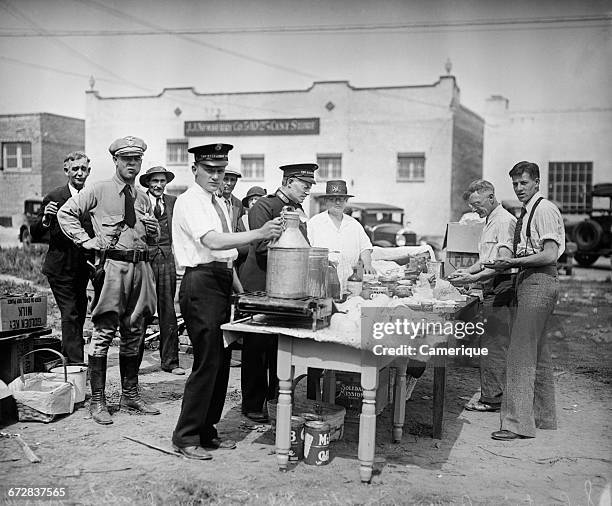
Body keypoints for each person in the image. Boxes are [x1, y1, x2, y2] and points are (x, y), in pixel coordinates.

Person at [171, 143, 282, 460]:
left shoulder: (218, 202)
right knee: (206, 363)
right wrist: (257, 233)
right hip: (200, 283)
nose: (216, 177)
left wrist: (239, 290)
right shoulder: (190, 201)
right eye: (210, 171)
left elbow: (225, 257)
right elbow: (212, 241)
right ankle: (185, 435)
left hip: (221, 281)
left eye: (221, 171)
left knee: (220, 365)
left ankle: (207, 430)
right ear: (195, 170)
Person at [57, 136, 160, 425]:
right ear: (115, 161)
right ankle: (99, 401)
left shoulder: (142, 197)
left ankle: (130, 394)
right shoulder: (99, 190)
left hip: (140, 269)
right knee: (103, 333)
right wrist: (85, 241)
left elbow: (151, 241)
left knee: (134, 331)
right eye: (126, 159)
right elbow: (67, 213)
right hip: (112, 268)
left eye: (136, 159)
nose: (131, 164)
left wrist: (153, 233)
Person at [488, 161, 564, 441]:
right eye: (515, 184)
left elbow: (550, 254)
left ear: (537, 182)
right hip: (530, 280)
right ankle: (544, 418)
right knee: (539, 352)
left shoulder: (543, 208)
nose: (519, 188)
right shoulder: (527, 210)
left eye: (524, 183)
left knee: (519, 353)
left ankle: (516, 424)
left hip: (540, 279)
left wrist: (515, 261)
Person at [240, 164, 317, 423]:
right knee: (257, 349)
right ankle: (252, 404)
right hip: (261, 286)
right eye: (304, 185)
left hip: (286, 289)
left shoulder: (296, 211)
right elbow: (261, 246)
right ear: (289, 181)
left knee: (279, 347)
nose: (308, 190)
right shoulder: (264, 206)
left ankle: (275, 400)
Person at [448, 180, 516, 412]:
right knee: (490, 342)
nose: (475, 209)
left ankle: (492, 399)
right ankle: (493, 395)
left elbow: (502, 263)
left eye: (477, 204)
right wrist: (468, 271)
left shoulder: (505, 220)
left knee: (494, 344)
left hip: (502, 287)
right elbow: (486, 259)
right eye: (472, 205)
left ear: (490, 196)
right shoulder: (490, 220)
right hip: (491, 285)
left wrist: (473, 279)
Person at [30, 151, 94, 364]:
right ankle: (77, 364)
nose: (79, 172)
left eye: (83, 169)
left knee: (79, 312)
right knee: (70, 314)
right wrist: (47, 217)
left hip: (82, 269)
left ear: (88, 171)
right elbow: (36, 233)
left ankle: (67, 357)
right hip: (59, 269)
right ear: (66, 171)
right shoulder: (54, 197)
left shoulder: (92, 197)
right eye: (75, 168)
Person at [138, 164, 184, 375]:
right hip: (144, 260)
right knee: (141, 310)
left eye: (162, 181)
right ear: (148, 182)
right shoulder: (138, 200)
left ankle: (170, 362)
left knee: (168, 310)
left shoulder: (174, 202)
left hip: (167, 260)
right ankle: (133, 364)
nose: (158, 185)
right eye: (154, 181)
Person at [306, 179, 376, 293]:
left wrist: (368, 264)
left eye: (341, 199)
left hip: (349, 283)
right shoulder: (314, 223)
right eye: (333, 199)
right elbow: (306, 250)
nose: (337, 203)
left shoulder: (354, 224)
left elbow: (365, 247)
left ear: (346, 201)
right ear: (326, 201)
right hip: (322, 284)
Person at [219, 167, 244, 231]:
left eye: (232, 180)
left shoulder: (238, 204)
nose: (229, 183)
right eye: (225, 179)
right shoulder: (211, 200)